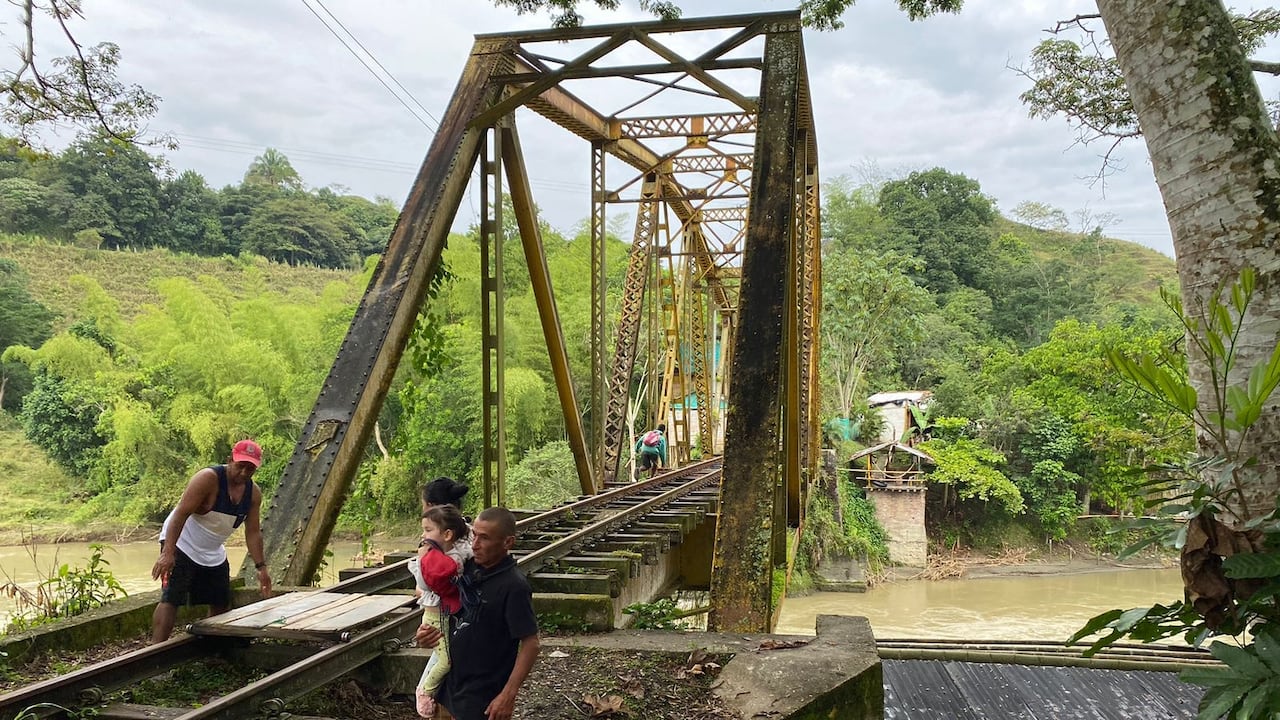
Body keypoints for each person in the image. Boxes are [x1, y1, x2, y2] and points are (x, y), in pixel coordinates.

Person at [415, 507, 539, 720]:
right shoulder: (466, 567)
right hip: (446, 693)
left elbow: (531, 644)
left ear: (508, 542)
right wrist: (426, 635)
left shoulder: (513, 586)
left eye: (485, 538)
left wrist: (508, 695)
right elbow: (442, 603)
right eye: (474, 535)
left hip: (480, 701)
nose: (475, 544)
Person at [150, 439, 272, 643]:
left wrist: (261, 568)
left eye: (249, 469)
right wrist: (168, 552)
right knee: (172, 598)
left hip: (212, 549)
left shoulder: (253, 494)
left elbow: (252, 532)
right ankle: (154, 651)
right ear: (229, 460)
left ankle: (211, 646)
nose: (243, 473)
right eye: (240, 466)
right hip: (183, 542)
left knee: (220, 599)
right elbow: (180, 514)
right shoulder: (208, 478)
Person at [414, 505, 472, 718]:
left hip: (443, 613)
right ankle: (424, 691)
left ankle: (425, 690)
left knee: (444, 657)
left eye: (428, 530)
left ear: (448, 534)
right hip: (436, 615)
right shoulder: (431, 556)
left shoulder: (449, 553)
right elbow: (425, 587)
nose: (423, 535)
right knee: (444, 659)